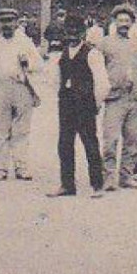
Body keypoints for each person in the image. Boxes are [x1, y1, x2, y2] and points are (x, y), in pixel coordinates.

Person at [0, 6, 44, 181]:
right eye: (3, 21)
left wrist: (27, 62)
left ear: (16, 22)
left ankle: (21, 166)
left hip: (21, 87)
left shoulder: (25, 42)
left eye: (10, 21)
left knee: (21, 130)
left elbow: (39, 65)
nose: (7, 25)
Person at [47, 15, 109, 199]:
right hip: (66, 104)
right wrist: (60, 95)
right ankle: (67, 185)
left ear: (83, 33)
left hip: (85, 104)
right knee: (64, 144)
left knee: (90, 143)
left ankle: (97, 185)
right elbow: (55, 78)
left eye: (76, 32)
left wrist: (96, 103)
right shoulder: (62, 53)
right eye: (69, 32)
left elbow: (102, 82)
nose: (73, 36)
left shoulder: (92, 53)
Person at [98, 4, 137, 191]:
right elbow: (97, 71)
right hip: (114, 98)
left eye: (127, 21)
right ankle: (109, 177)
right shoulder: (104, 43)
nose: (124, 24)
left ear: (132, 23)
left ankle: (126, 176)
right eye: (120, 20)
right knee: (110, 140)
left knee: (134, 140)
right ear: (114, 22)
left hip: (135, 98)